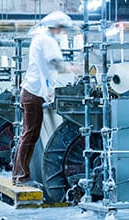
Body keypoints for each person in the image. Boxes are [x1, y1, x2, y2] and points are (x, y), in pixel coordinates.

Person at [12, 11, 80, 186]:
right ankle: (21, 177)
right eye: (63, 29)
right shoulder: (47, 40)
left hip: (32, 91)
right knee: (29, 136)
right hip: (33, 93)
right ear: (56, 27)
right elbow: (54, 63)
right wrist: (73, 69)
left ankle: (20, 175)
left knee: (29, 136)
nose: (63, 32)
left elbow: (48, 68)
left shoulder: (40, 38)